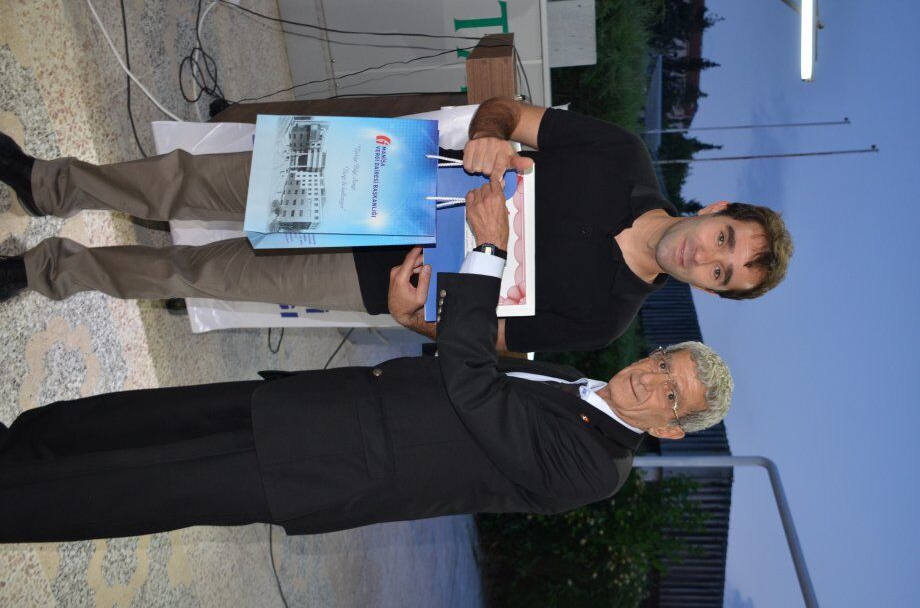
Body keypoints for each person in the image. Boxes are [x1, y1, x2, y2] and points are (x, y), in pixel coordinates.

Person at [0, 207, 734, 541]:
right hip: (318, 406)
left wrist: (487, 253)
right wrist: (419, 324)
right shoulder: (573, 380)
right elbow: (468, 372)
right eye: (663, 363)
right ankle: (24, 443)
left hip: (324, 467)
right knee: (145, 421)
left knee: (139, 487)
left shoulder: (597, 470)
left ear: (671, 428)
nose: (651, 380)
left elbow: (476, 393)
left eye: (671, 395)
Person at [0, 97, 793, 352]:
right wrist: (491, 135)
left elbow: (487, 340)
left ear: (709, 291)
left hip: (380, 276)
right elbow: (508, 112)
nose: (706, 255)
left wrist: (419, 319)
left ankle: (45, 272)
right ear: (716, 209)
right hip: (378, 182)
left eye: (720, 273)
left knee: (200, 273)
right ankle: (44, 183)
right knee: (193, 183)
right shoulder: (621, 154)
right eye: (724, 239)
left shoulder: (605, 317)